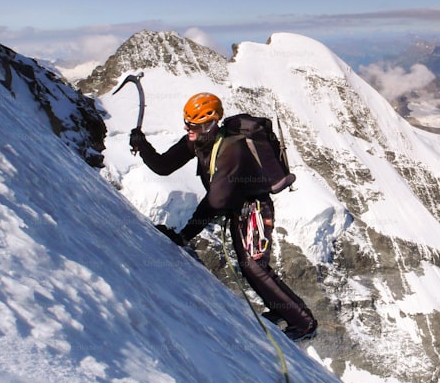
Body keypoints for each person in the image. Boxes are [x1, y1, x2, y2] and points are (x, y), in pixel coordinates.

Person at [129, 92, 317, 341]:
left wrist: (184, 236)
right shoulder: (198, 141)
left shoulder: (232, 150)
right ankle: (281, 310)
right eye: (187, 123)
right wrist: (141, 144)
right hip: (240, 211)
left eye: (193, 125)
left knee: (254, 266)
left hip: (255, 209)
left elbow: (215, 201)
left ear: (209, 123)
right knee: (249, 265)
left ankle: (304, 325)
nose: (188, 129)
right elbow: (164, 166)